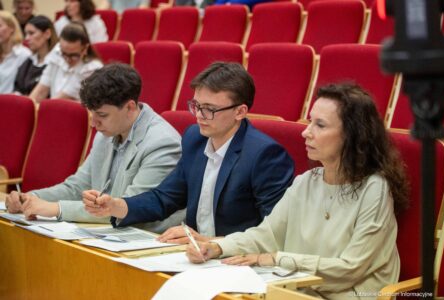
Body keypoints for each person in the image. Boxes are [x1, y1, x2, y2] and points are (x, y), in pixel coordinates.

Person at [187, 83, 410, 299]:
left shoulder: (375, 189)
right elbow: (266, 235)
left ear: (352, 135)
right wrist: (217, 247)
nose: (306, 132)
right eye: (310, 121)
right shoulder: (306, 181)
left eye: (320, 125)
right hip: (297, 290)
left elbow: (350, 269)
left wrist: (274, 259)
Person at [83, 62, 294, 243]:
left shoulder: (264, 155)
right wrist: (116, 205)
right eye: (196, 105)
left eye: (209, 109)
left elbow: (275, 233)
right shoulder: (195, 138)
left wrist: (212, 243)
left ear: (240, 112)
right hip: (193, 254)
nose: (199, 116)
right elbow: (164, 198)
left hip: (236, 261)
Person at [6, 63, 185, 232]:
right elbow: (77, 187)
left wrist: (56, 208)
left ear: (130, 107)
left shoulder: (162, 143)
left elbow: (129, 208)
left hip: (146, 239)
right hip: (108, 232)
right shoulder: (106, 133)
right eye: (92, 114)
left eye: (101, 115)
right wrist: (30, 198)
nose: (93, 123)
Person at [29, 22, 103, 103]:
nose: (67, 59)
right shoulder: (56, 55)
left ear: (85, 48)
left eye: (73, 55)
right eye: (64, 53)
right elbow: (40, 91)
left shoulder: (92, 68)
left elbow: (63, 98)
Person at [14, 15, 58, 96]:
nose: (27, 38)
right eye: (26, 34)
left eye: (31, 33)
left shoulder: (56, 62)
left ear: (47, 34)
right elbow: (18, 88)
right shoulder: (29, 61)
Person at [0, 11, 31, 94]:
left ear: (12, 28)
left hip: (11, 103)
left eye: (0, 26)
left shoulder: (24, 55)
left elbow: (23, 88)